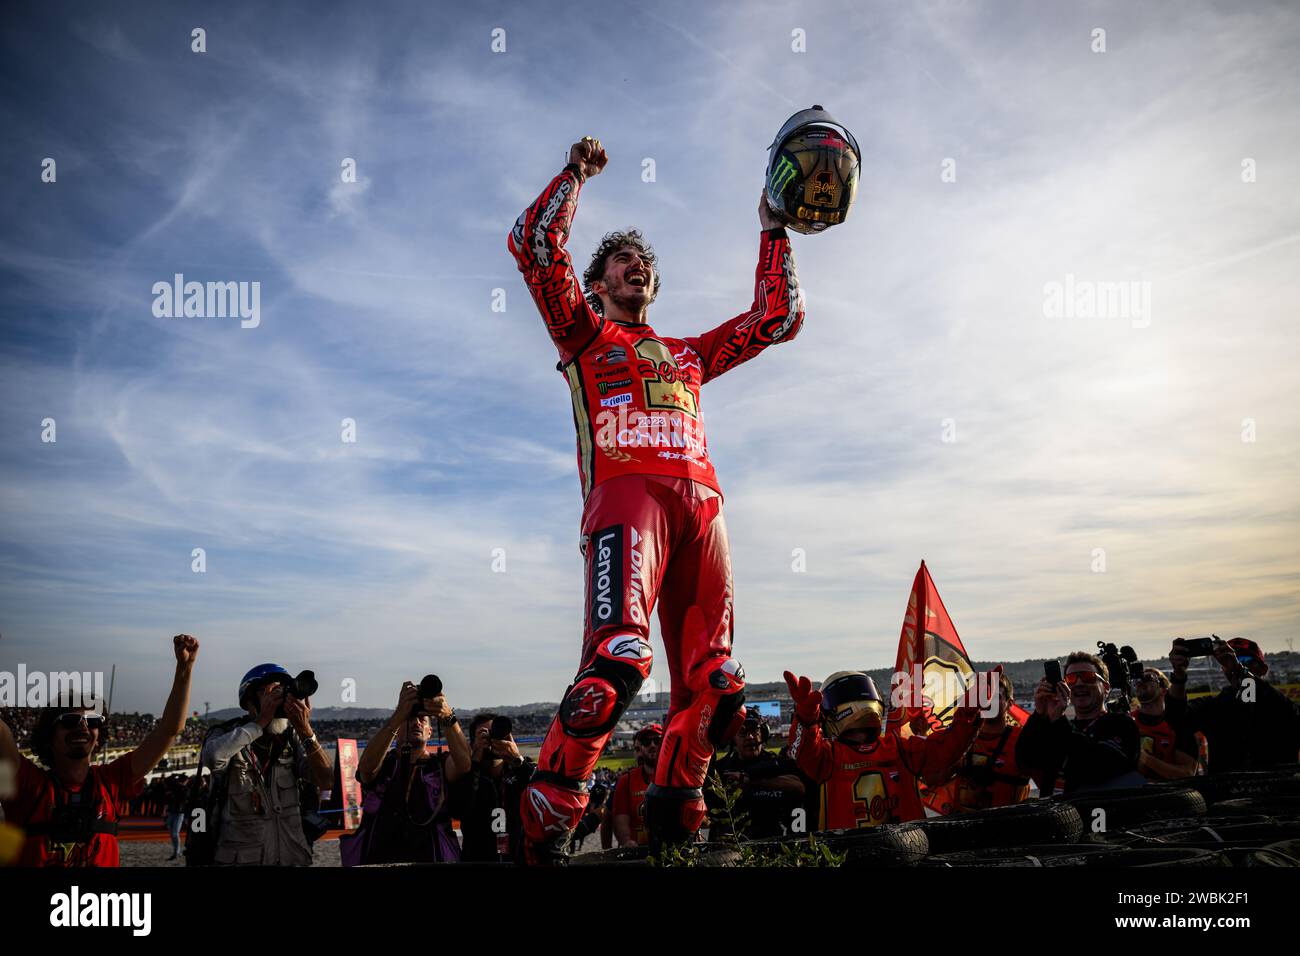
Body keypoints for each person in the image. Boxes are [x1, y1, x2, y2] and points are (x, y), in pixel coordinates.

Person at [509, 136, 806, 862]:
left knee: (721, 682)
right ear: (599, 282)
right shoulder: (583, 332)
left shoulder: (691, 354)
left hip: (705, 507)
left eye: (644, 263)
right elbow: (532, 243)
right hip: (625, 496)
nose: (636, 266)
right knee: (618, 663)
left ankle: (680, 802)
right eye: (621, 262)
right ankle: (554, 804)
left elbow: (778, 319)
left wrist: (773, 228)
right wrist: (575, 176)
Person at [0, 634, 199, 866]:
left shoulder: (111, 781)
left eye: (93, 721)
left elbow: (169, 730)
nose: (83, 726)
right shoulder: (28, 785)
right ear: (49, 735)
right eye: (70, 719)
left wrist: (185, 668)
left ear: (98, 737)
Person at [784, 670, 980, 828]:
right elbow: (947, 748)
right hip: (896, 851)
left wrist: (807, 720)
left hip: (868, 853)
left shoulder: (832, 755)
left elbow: (946, 750)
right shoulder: (898, 748)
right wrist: (806, 719)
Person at [202, 663, 333, 866]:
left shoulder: (291, 738)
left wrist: (306, 731)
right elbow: (212, 757)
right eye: (272, 692)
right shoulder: (226, 734)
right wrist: (260, 722)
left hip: (293, 857)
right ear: (250, 700)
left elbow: (325, 779)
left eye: (284, 691)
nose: (280, 698)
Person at [341, 681, 470, 865]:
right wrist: (399, 714)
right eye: (410, 718)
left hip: (430, 856)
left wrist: (447, 715)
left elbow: (464, 764)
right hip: (381, 856)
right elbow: (366, 770)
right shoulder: (386, 764)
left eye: (422, 719)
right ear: (399, 727)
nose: (416, 722)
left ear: (430, 732)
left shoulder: (440, 765)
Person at [1165, 637, 1299, 773]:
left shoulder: (1277, 701)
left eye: (1245, 660)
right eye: (1230, 660)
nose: (1234, 664)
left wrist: (1238, 669)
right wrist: (1179, 676)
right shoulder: (1216, 706)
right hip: (1227, 791)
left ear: (1264, 669)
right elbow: (1178, 719)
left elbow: (1251, 700)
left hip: (1279, 790)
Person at [1016, 651, 1141, 794]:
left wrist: (1059, 720)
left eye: (1088, 677)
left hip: (1101, 813)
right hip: (1057, 812)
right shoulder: (1058, 727)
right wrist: (1039, 715)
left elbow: (1098, 766)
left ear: (1106, 688)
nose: (1080, 683)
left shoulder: (1122, 724)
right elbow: (1025, 762)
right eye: (1071, 679)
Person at [926, 671, 1031, 814]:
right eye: (984, 697)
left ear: (1009, 703)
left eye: (996, 697)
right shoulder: (962, 737)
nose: (988, 702)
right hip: (963, 828)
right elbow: (931, 780)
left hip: (1006, 829)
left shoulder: (1022, 739)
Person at [455, 713, 535, 863]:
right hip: (477, 860)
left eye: (496, 732)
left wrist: (517, 760)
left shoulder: (521, 768)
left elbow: (541, 794)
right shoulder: (467, 774)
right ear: (473, 742)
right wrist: (476, 760)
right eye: (485, 735)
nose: (492, 739)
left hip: (517, 859)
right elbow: (459, 809)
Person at [708, 715, 805, 838]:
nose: (750, 737)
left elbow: (799, 787)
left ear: (763, 733)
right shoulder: (721, 769)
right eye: (742, 732)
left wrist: (750, 780)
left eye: (754, 730)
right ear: (733, 738)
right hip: (731, 848)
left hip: (774, 845)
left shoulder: (778, 763)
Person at [1132, 667, 1198, 781]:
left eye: (1147, 678)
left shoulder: (1179, 724)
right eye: (1137, 680)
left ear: (1164, 689)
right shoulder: (1127, 722)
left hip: (1168, 795)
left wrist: (1144, 757)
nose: (1140, 682)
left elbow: (1187, 773)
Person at [610, 724, 662, 848]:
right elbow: (620, 818)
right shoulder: (626, 781)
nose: (652, 745)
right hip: (638, 852)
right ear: (641, 747)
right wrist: (626, 841)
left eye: (657, 740)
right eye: (646, 742)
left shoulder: (677, 777)